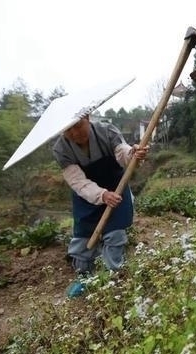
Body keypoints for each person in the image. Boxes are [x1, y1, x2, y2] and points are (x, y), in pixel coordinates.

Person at [52, 113, 148, 298]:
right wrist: (101, 195)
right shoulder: (60, 149)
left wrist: (133, 154)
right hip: (87, 194)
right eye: (68, 129)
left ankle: (113, 277)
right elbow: (77, 181)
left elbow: (122, 152)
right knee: (83, 237)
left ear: (87, 117)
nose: (74, 132)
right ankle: (84, 276)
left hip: (116, 186)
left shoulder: (106, 131)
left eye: (78, 125)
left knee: (115, 233)